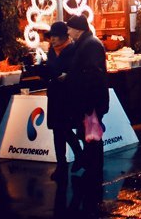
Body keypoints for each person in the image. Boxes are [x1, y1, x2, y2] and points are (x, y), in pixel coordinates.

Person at [65, 15, 109, 179]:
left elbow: (93, 75)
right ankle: (92, 166)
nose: (68, 32)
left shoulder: (90, 44)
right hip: (87, 100)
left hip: (90, 101)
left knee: (92, 136)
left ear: (77, 29)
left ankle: (94, 169)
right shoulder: (85, 43)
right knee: (88, 134)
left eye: (69, 28)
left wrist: (89, 103)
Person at [43, 21, 82, 181]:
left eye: (55, 37)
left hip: (67, 95)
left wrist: (68, 76)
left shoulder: (73, 50)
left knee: (64, 128)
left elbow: (78, 70)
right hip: (54, 94)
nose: (52, 40)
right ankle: (62, 164)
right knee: (56, 130)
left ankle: (78, 155)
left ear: (63, 37)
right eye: (51, 36)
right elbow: (49, 69)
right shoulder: (51, 51)